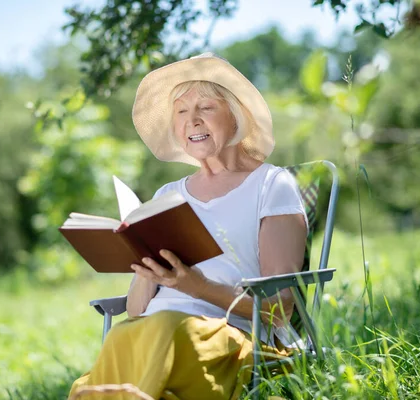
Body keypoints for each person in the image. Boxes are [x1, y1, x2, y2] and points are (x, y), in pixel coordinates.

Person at [68, 53, 308, 400]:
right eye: (181, 111)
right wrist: (146, 266)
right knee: (124, 334)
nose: (191, 120)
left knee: (161, 332)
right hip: (153, 331)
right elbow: (136, 309)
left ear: (236, 114)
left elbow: (280, 309)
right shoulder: (167, 195)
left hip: (231, 337)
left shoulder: (271, 184)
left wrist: (197, 286)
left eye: (205, 107)